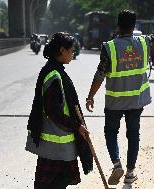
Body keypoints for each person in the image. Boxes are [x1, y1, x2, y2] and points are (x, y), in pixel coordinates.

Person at [85, 10, 154, 186]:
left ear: (118, 26)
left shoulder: (109, 47)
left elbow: (100, 74)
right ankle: (130, 172)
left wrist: (90, 96)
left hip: (114, 102)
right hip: (136, 101)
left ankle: (117, 164)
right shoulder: (144, 42)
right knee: (133, 135)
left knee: (111, 132)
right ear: (134, 26)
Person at [26, 32, 93, 189]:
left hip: (58, 139)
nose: (73, 53)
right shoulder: (54, 75)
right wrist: (77, 126)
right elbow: (53, 111)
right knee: (56, 179)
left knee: (56, 179)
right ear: (62, 50)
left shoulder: (55, 70)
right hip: (56, 140)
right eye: (71, 50)